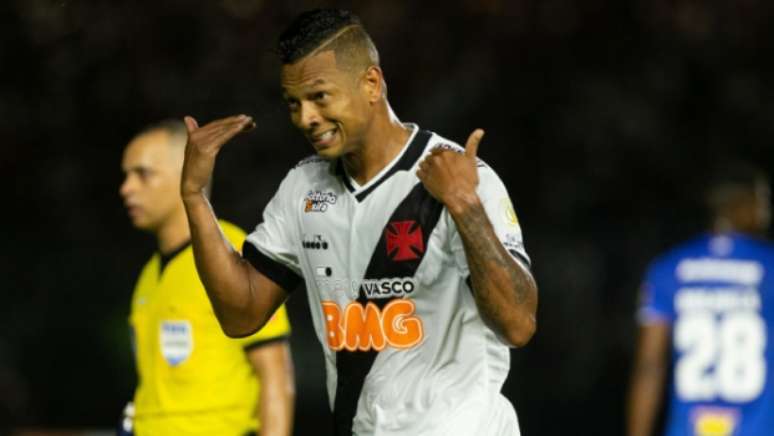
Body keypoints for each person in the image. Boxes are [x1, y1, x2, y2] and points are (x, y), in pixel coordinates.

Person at [180, 9, 538, 436]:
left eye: (320, 97)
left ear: (371, 83)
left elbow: (518, 325)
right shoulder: (303, 188)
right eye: (294, 103)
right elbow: (241, 315)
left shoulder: (455, 175)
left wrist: (465, 207)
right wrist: (195, 197)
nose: (305, 117)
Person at [119, 119, 295, 436]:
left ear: (183, 175)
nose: (127, 188)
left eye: (142, 174)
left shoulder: (232, 253)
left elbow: (275, 376)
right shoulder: (149, 273)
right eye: (126, 175)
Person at [628, 163, 774, 436]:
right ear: (741, 204)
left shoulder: (668, 268)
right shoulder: (768, 267)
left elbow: (649, 366)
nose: (766, 213)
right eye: (762, 201)